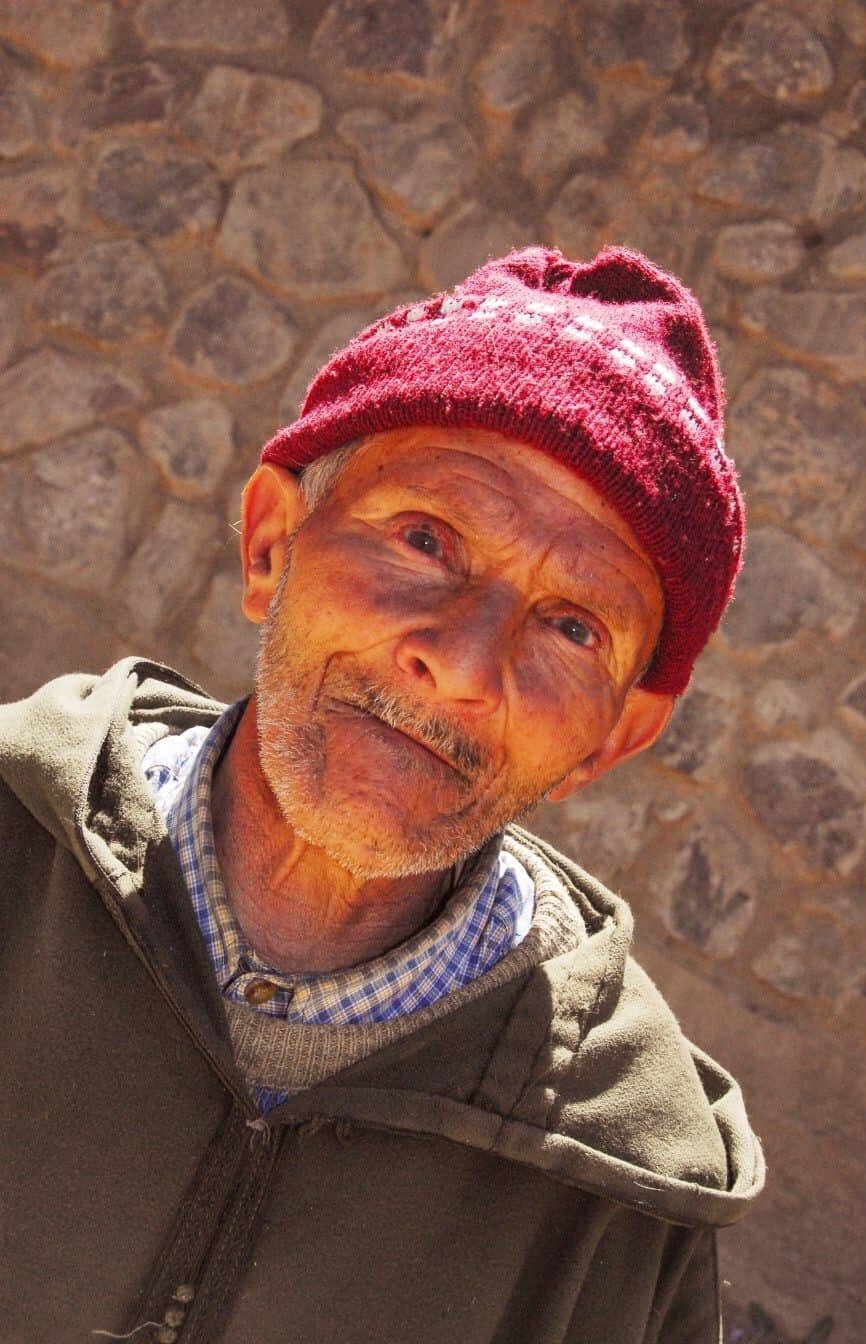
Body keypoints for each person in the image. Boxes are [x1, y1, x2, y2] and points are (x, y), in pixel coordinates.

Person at [0, 246, 763, 1344]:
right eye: (425, 538)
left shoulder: (622, 1193)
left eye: (571, 626)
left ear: (617, 738)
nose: (463, 661)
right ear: (271, 542)